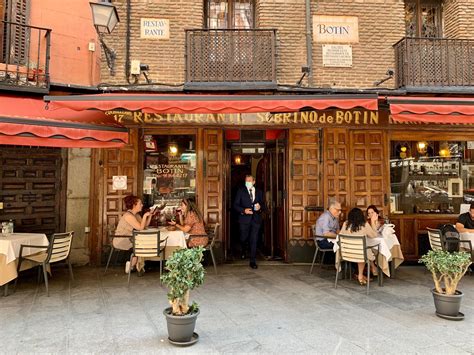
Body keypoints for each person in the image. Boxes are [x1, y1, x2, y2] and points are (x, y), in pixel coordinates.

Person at [115, 195, 156, 274]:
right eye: (140, 204)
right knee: (140, 245)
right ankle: (132, 265)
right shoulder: (128, 216)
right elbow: (140, 228)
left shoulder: (136, 215)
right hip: (122, 239)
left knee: (141, 244)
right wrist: (144, 216)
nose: (142, 205)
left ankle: (137, 265)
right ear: (134, 205)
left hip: (130, 238)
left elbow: (144, 226)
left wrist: (150, 216)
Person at [233, 174, 265, 269]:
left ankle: (253, 261)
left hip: (256, 219)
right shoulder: (240, 191)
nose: (248, 182)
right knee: (243, 237)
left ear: (254, 182)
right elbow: (235, 205)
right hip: (244, 220)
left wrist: (260, 208)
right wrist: (244, 210)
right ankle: (244, 248)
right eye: (246, 181)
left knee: (254, 239)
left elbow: (263, 205)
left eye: (250, 181)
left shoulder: (259, 192)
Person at [339, 208, 378, 285]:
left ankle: (362, 274)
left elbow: (340, 235)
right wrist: (373, 222)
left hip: (346, 253)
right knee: (365, 251)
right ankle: (363, 274)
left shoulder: (345, 224)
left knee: (362, 251)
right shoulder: (364, 224)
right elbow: (374, 235)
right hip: (360, 254)